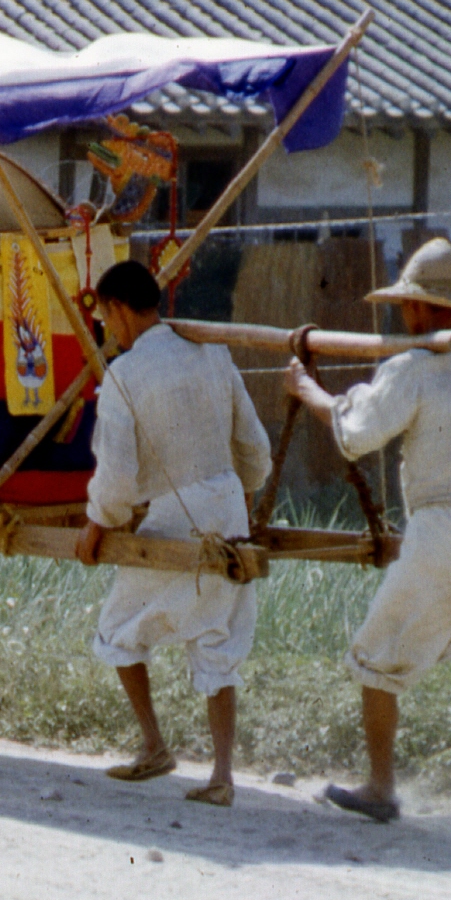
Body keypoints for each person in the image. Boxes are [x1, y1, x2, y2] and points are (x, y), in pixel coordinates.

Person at [283, 238, 451, 843]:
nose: (404, 314)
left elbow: (357, 432)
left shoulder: (410, 369)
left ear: (424, 308)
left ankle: (380, 789)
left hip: (439, 537)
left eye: (408, 304)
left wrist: (307, 391)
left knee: (377, 659)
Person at [73, 257, 272, 807]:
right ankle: (222, 775)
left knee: (118, 629)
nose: (110, 331)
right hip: (227, 507)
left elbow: (116, 477)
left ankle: (155, 745)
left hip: (176, 515)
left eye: (107, 319)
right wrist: (244, 496)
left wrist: (96, 524)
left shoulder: (125, 374)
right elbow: (254, 448)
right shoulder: (211, 352)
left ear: (118, 310)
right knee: (218, 639)